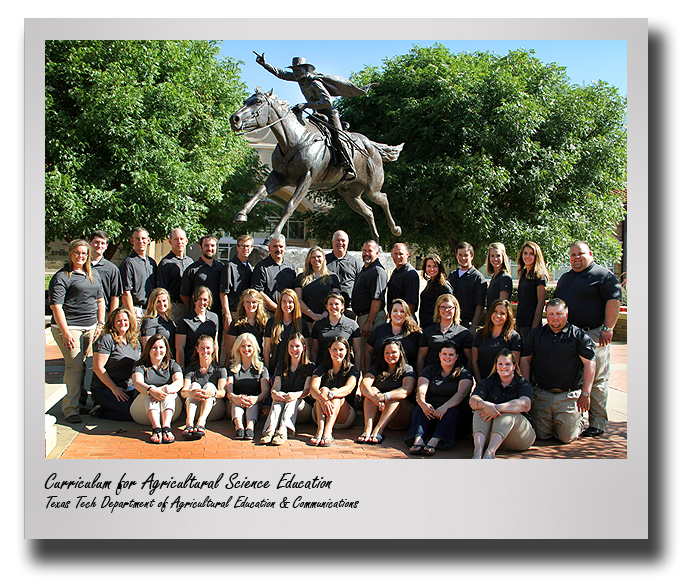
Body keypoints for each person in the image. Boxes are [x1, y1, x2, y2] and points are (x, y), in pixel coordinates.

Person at [256, 54, 375, 181]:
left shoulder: (315, 83)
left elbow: (327, 102)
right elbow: (281, 74)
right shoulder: (300, 78)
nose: (294, 73)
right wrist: (265, 64)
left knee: (338, 136)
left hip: (329, 113)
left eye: (297, 70)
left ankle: (348, 166)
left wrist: (306, 105)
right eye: (294, 70)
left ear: (306, 70)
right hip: (317, 114)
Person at [554, 241, 623, 438]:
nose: (576, 257)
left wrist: (608, 328)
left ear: (590, 253)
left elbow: (614, 300)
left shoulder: (603, 275)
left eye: (580, 253)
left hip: (594, 334)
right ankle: (578, 420)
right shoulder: (566, 278)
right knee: (575, 378)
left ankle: (597, 422)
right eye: (573, 254)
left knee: (598, 378)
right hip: (571, 335)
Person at [520, 298, 596, 444]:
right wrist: (526, 387)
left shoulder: (579, 336)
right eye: (551, 314)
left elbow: (589, 364)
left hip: (567, 395)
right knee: (541, 435)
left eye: (559, 314)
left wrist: (585, 393)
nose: (555, 318)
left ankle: (577, 420)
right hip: (542, 394)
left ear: (566, 314)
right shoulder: (536, 335)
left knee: (566, 437)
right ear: (546, 315)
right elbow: (525, 360)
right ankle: (556, 421)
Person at [49, 239, 106, 422]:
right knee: (74, 366)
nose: (80, 256)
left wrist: (100, 323)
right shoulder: (62, 276)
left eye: (84, 253)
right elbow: (56, 306)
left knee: (83, 365)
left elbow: (100, 300)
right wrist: (65, 332)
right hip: (69, 327)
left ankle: (81, 401)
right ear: (70, 254)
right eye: (77, 253)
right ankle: (70, 409)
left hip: (90, 326)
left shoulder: (93, 275)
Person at [406, 341, 473, 456]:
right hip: (432, 413)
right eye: (445, 354)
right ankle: (418, 440)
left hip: (454, 416)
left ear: (456, 357)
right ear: (440, 355)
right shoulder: (430, 370)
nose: (447, 357)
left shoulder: (464, 372)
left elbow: (461, 394)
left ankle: (434, 441)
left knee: (451, 411)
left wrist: (445, 407)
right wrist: (423, 403)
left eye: (451, 355)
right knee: (420, 408)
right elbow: (421, 389)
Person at [469, 349, 536, 459]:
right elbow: (473, 401)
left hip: (519, 438)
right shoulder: (488, 381)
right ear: (496, 366)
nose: (503, 367)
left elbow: (526, 404)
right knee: (481, 408)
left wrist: (497, 407)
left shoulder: (522, 383)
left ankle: (490, 453)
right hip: (491, 436)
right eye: (500, 364)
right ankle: (478, 452)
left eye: (507, 364)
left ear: (514, 366)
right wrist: (485, 405)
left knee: (506, 412)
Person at [260, 333, 315, 446]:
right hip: (284, 405)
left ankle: (283, 431)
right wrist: (274, 393)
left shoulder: (309, 366)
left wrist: (294, 395)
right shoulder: (282, 365)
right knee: (278, 397)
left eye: (297, 346)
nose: (294, 349)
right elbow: (276, 386)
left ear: (303, 347)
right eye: (291, 346)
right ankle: (270, 430)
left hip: (302, 408)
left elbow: (307, 391)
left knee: (292, 399)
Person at [358, 340, 416, 444]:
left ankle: (378, 431)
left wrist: (385, 396)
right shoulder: (377, 368)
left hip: (400, 416)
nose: (390, 355)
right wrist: (374, 397)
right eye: (387, 352)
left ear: (400, 353)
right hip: (379, 410)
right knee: (372, 390)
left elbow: (406, 390)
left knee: (394, 397)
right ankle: (367, 429)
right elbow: (364, 384)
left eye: (393, 352)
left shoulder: (407, 369)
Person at [131, 334, 184, 444]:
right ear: (148, 349)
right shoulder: (140, 366)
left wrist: (164, 390)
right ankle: (156, 428)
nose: (158, 351)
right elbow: (137, 383)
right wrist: (152, 390)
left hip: (168, 412)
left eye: (161, 347)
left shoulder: (172, 364)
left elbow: (179, 382)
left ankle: (166, 428)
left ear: (166, 349)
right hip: (142, 413)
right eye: (154, 347)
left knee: (170, 391)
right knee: (150, 390)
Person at [91, 308, 142, 421]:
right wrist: (114, 388)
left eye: (125, 320)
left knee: (141, 409)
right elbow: (98, 367)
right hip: (105, 388)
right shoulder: (106, 339)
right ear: (113, 323)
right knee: (130, 413)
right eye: (118, 320)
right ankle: (99, 411)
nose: (122, 323)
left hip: (128, 386)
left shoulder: (134, 340)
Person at [308, 336, 359, 447]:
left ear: (346, 351)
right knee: (323, 389)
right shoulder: (322, 368)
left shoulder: (352, 370)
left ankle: (328, 432)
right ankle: (320, 431)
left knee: (335, 392)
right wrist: (323, 397)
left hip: (344, 416)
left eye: (341, 349)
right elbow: (313, 388)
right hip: (320, 414)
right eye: (334, 349)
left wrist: (330, 395)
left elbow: (348, 388)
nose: (337, 352)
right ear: (329, 350)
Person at [180, 335, 228, 439]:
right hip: (194, 408)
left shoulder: (220, 369)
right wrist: (191, 393)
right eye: (202, 348)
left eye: (208, 348)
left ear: (213, 349)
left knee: (209, 385)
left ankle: (201, 423)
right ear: (197, 349)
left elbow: (223, 392)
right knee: (194, 385)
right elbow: (183, 392)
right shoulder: (191, 369)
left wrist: (212, 393)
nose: (205, 351)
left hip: (214, 409)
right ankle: (189, 423)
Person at [226, 332, 270, 441]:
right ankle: (239, 426)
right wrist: (234, 397)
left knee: (252, 403)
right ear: (238, 348)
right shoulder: (232, 367)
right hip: (234, 402)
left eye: (249, 346)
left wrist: (256, 399)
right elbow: (229, 391)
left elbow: (265, 391)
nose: (246, 349)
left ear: (254, 347)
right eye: (243, 346)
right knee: (237, 403)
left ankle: (250, 427)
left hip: (253, 403)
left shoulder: (261, 368)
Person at [416, 294, 472, 374]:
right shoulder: (428, 332)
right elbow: (421, 357)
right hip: (431, 376)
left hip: (456, 377)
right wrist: (420, 377)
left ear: (455, 309)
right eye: (443, 307)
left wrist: (467, 376)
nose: (446, 310)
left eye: (450, 307)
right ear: (438, 309)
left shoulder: (464, 333)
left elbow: (470, 359)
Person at [471, 299, 522, 383]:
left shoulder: (514, 337)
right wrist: (480, 383)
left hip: (503, 386)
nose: (498, 315)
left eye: (502, 313)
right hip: (483, 384)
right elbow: (474, 361)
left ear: (507, 317)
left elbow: (514, 365)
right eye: (495, 311)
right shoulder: (480, 334)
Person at [310, 291, 362, 373]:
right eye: (330, 304)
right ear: (326, 306)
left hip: (345, 370)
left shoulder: (352, 324)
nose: (333, 307)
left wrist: (357, 371)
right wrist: (312, 371)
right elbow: (314, 351)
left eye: (337, 304)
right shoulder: (318, 325)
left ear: (342, 306)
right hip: (323, 369)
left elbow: (357, 351)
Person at [264, 289, 311, 376]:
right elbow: (267, 349)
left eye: (290, 302)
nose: (287, 305)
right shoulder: (271, 322)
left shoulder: (301, 323)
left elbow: (306, 349)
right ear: (280, 303)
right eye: (284, 301)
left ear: (295, 304)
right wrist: (266, 372)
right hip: (275, 370)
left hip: (296, 373)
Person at [365, 298, 421, 371]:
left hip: (407, 376)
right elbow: (368, 352)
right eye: (395, 311)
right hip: (380, 373)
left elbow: (421, 357)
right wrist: (367, 371)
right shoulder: (379, 331)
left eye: (402, 311)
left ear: (407, 314)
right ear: (389, 314)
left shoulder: (415, 334)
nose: (398, 314)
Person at [180, 234, 225, 325]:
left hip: (217, 315)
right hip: (196, 316)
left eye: (212, 245)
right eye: (206, 245)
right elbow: (184, 295)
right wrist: (194, 309)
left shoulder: (221, 268)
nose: (209, 248)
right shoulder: (192, 269)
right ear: (201, 247)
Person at [251, 233, 297, 314]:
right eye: (275, 246)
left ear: (285, 248)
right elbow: (259, 292)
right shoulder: (261, 267)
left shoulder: (291, 267)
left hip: (289, 313)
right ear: (269, 248)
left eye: (281, 246)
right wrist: (277, 309)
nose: (278, 249)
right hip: (268, 314)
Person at [175, 286, 219, 369]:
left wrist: (216, 364)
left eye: (205, 300)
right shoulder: (185, 320)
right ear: (194, 299)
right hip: (191, 365)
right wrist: (180, 369)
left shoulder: (214, 318)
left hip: (209, 366)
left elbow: (215, 344)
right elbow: (180, 347)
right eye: (199, 299)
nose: (202, 303)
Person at [352, 240, 388, 340]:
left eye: (370, 251)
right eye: (364, 250)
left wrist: (369, 323)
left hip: (372, 318)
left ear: (377, 253)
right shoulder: (365, 269)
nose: (366, 254)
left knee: (367, 352)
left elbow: (377, 300)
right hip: (363, 317)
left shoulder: (377, 272)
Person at [294, 246, 341, 323]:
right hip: (306, 320)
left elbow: (335, 299)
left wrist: (324, 315)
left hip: (328, 320)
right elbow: (298, 299)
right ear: (309, 260)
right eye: (313, 257)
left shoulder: (332, 277)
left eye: (319, 256)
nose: (316, 259)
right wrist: (312, 315)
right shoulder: (301, 278)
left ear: (324, 258)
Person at [447, 241, 486, 333]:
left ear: (472, 256)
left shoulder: (478, 278)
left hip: (467, 324)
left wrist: (473, 326)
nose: (463, 258)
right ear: (456, 256)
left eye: (466, 255)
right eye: (460, 255)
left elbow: (480, 304)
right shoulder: (452, 276)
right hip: (450, 323)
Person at [515, 241, 550, 342]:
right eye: (525, 253)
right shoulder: (523, 273)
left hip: (530, 324)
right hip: (520, 322)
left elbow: (541, 302)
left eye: (531, 254)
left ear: (536, 256)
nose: (527, 256)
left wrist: (534, 327)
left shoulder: (540, 276)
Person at [119, 227, 157, 321]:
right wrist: (131, 315)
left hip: (150, 310)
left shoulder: (152, 263)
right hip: (135, 310)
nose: (141, 241)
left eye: (143, 238)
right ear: (132, 241)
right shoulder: (128, 263)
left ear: (148, 240)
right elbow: (125, 292)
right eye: (137, 238)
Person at [156, 228, 193, 322]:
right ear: (170, 242)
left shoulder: (190, 262)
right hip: (174, 307)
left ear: (186, 241)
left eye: (181, 239)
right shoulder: (165, 263)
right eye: (176, 239)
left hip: (190, 306)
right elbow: (161, 289)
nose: (179, 242)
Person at [220, 234, 254, 334]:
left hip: (246, 313)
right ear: (237, 248)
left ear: (251, 249)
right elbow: (223, 293)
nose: (245, 249)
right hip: (233, 313)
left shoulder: (249, 267)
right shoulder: (230, 267)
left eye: (248, 246)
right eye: (242, 246)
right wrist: (227, 315)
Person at [325, 230, 362, 318]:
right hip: (327, 308)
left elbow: (360, 285)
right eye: (337, 240)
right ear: (332, 242)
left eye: (343, 240)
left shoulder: (355, 263)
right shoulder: (324, 261)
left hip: (349, 309)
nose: (340, 243)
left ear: (348, 242)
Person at [88, 230, 122, 314]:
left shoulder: (112, 269)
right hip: (83, 314)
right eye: (96, 242)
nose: (99, 246)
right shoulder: (80, 266)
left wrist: (111, 318)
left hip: (104, 314)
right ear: (89, 243)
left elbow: (115, 297)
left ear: (106, 246)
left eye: (102, 243)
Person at [419, 253, 453, 329]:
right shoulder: (430, 282)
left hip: (436, 328)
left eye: (435, 266)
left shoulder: (444, 286)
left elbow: (449, 310)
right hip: (426, 326)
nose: (431, 269)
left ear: (439, 268)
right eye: (429, 266)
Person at [386, 243, 420, 316]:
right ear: (391, 255)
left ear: (407, 254)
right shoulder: (396, 271)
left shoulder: (410, 274)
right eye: (395, 253)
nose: (398, 256)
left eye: (401, 254)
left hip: (404, 319)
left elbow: (411, 304)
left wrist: (404, 322)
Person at [485, 242, 513, 310]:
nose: (495, 259)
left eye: (498, 255)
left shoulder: (504, 278)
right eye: (492, 256)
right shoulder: (495, 277)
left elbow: (501, 305)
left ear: (503, 257)